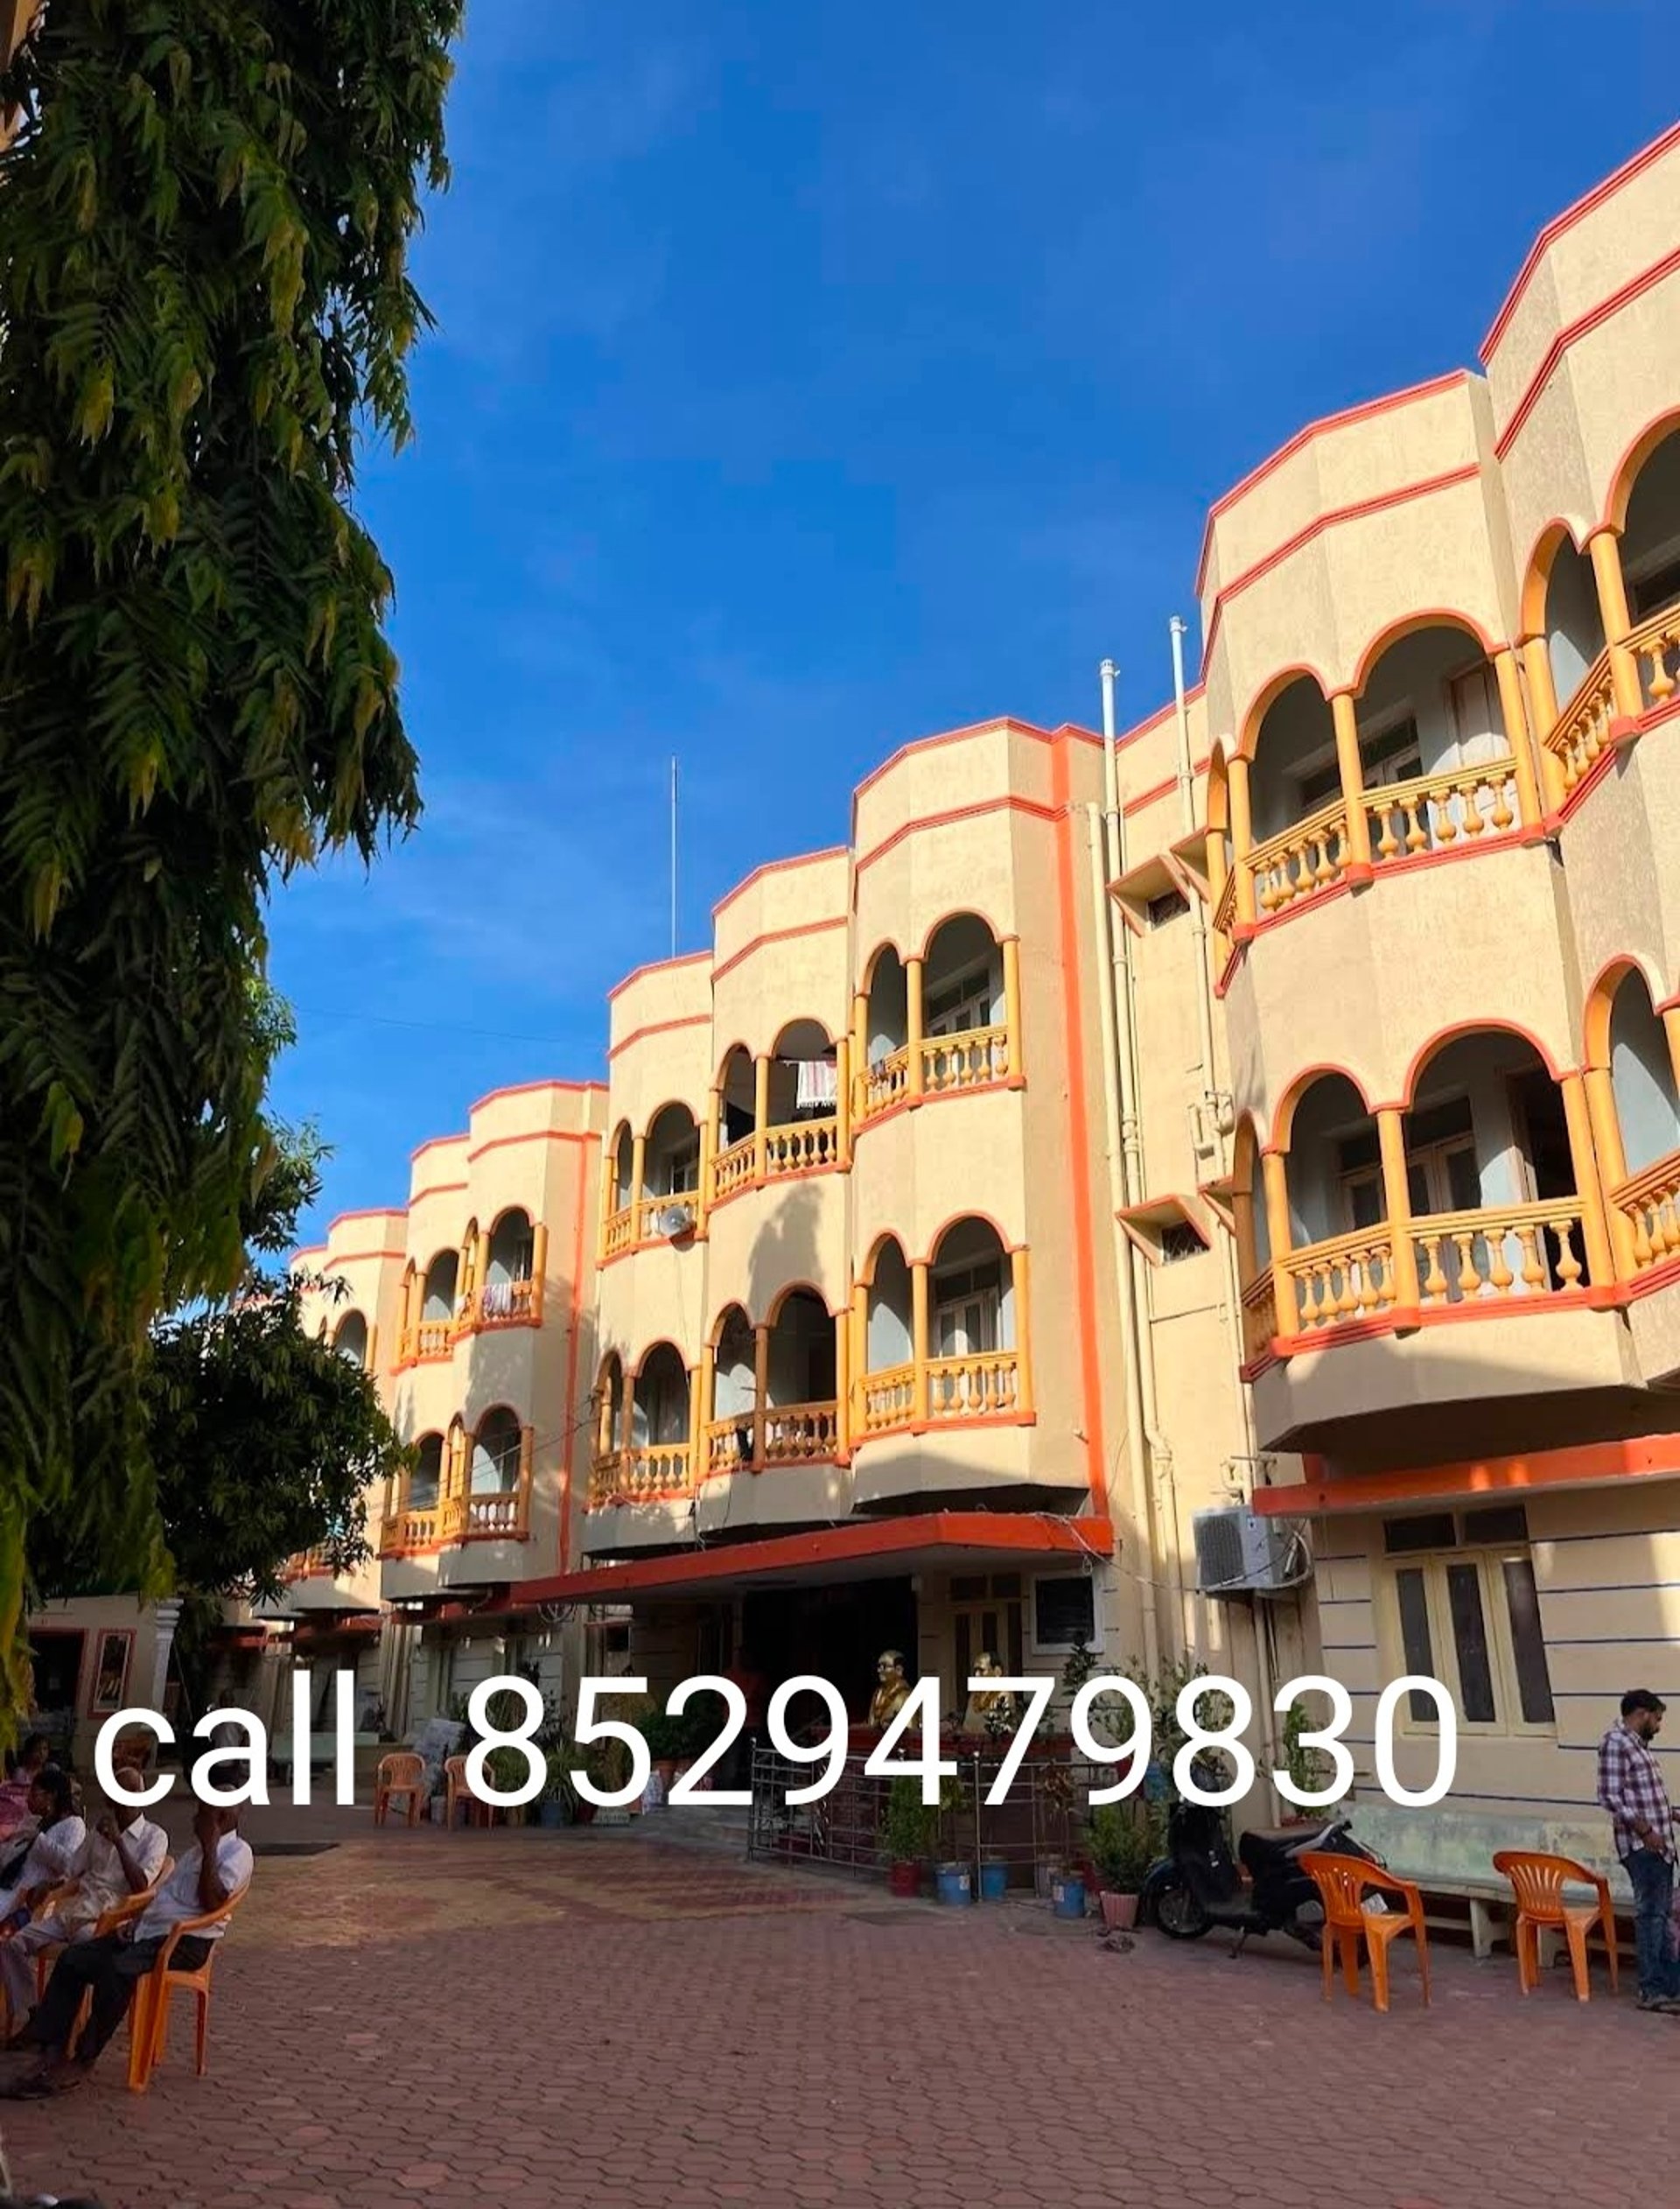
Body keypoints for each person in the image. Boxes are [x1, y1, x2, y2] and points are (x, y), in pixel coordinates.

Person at [2, 1801, 251, 2097]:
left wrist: (211, 1846)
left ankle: (82, 2060)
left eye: (202, 1814)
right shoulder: (194, 1854)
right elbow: (162, 1896)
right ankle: (50, 2046)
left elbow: (212, 1901)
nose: (194, 1819)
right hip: (148, 1932)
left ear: (219, 1818)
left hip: (183, 1941)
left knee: (116, 1971)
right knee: (73, 1959)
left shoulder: (238, 1853)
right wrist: (136, 1922)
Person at [0, 1769, 166, 2040]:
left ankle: (59, 2031)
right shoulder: (98, 1831)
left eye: (132, 1793)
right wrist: (50, 1886)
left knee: (76, 1954)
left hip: (108, 1919)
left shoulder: (154, 1836)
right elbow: (72, 1870)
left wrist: (119, 1842)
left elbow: (141, 1886)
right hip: (76, 1910)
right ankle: (33, 2014)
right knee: (11, 1943)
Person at [1598, 1687, 1680, 2012]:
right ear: (1641, 1713)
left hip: (1661, 1846)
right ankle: (1651, 1989)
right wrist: (1645, 1831)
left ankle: (1669, 1986)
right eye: (1656, 1719)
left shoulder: (1638, 1748)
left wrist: (1672, 1814)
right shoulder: (1616, 1743)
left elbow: (1643, 1797)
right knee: (1651, 1918)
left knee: (1662, 1918)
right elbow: (1609, 1796)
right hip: (1642, 1846)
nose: (1658, 1726)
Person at [0, 1771, 84, 1927]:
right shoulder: (38, 1820)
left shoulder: (74, 1825)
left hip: (30, 1895)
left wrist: (39, 1840)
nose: (28, 1799)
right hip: (11, 1883)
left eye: (34, 1794)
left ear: (50, 1796)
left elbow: (69, 1864)